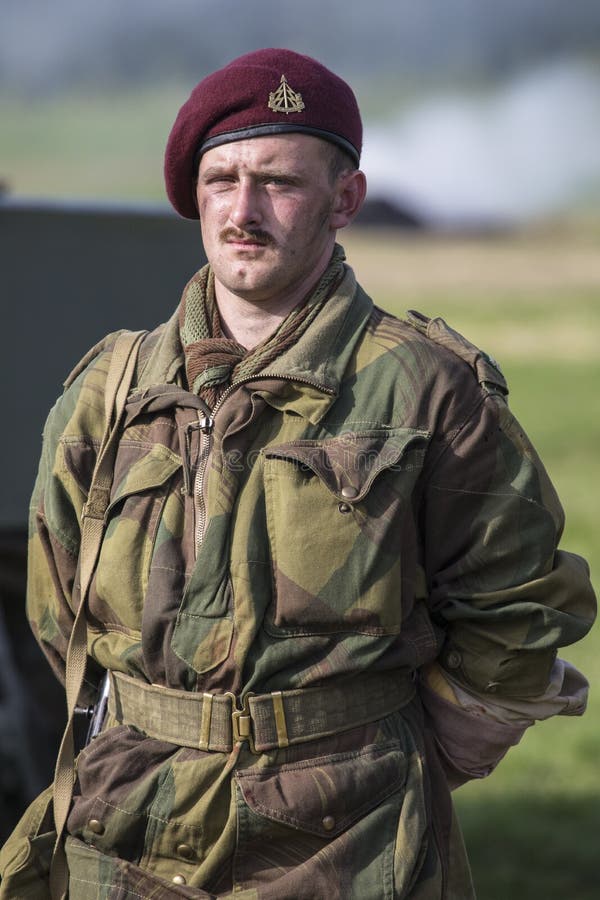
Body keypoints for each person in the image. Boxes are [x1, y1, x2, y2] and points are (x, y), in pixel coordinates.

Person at [0, 48, 595, 900]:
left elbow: (517, 608)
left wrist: (412, 754)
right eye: (221, 181)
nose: (243, 211)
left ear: (344, 200)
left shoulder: (425, 387)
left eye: (278, 182)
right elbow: (56, 605)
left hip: (346, 841)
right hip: (126, 827)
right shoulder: (113, 385)